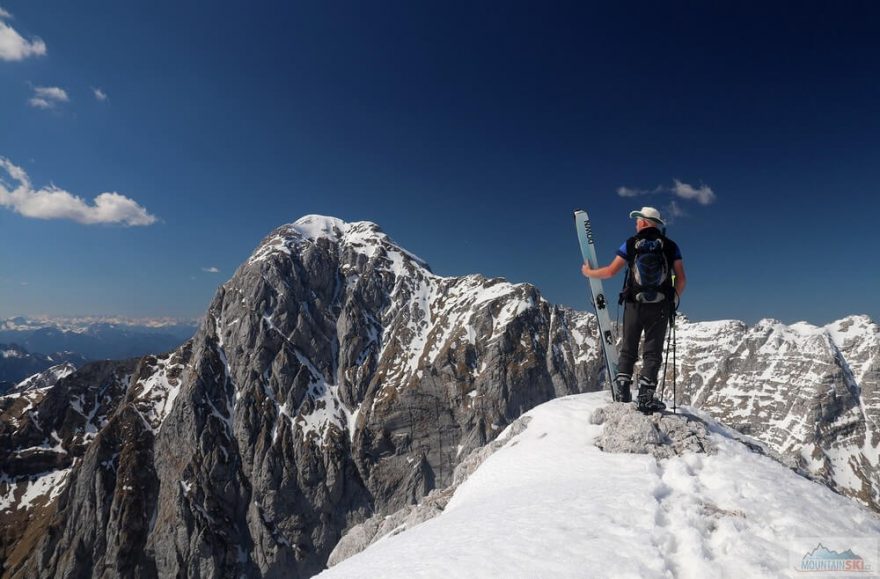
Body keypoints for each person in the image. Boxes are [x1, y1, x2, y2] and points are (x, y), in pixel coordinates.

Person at [581, 206, 686, 413]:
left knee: (628, 347)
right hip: (660, 306)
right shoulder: (671, 246)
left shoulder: (630, 243)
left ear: (646, 222)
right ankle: (646, 397)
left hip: (633, 303)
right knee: (652, 351)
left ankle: (622, 391)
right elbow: (681, 279)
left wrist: (589, 272)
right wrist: (671, 300)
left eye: (638, 220)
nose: (636, 223)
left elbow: (611, 272)